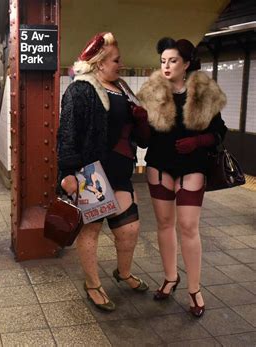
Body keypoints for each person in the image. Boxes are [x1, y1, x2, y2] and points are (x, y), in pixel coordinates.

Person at [57, 32, 150, 312]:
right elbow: (68, 132)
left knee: (130, 229)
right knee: (92, 231)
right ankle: (93, 284)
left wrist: (142, 120)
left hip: (120, 170)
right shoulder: (81, 89)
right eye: (116, 60)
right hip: (91, 172)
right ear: (99, 63)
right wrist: (69, 172)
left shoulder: (122, 87)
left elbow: (139, 132)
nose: (120, 65)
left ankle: (122, 273)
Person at [136, 37, 227, 318]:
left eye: (172, 60)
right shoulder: (152, 92)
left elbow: (220, 132)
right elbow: (143, 141)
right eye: (163, 61)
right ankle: (170, 277)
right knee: (164, 224)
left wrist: (198, 142)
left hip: (192, 168)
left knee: (188, 227)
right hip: (159, 166)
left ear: (186, 64)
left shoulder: (203, 92)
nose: (166, 66)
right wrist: (140, 120)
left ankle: (194, 289)